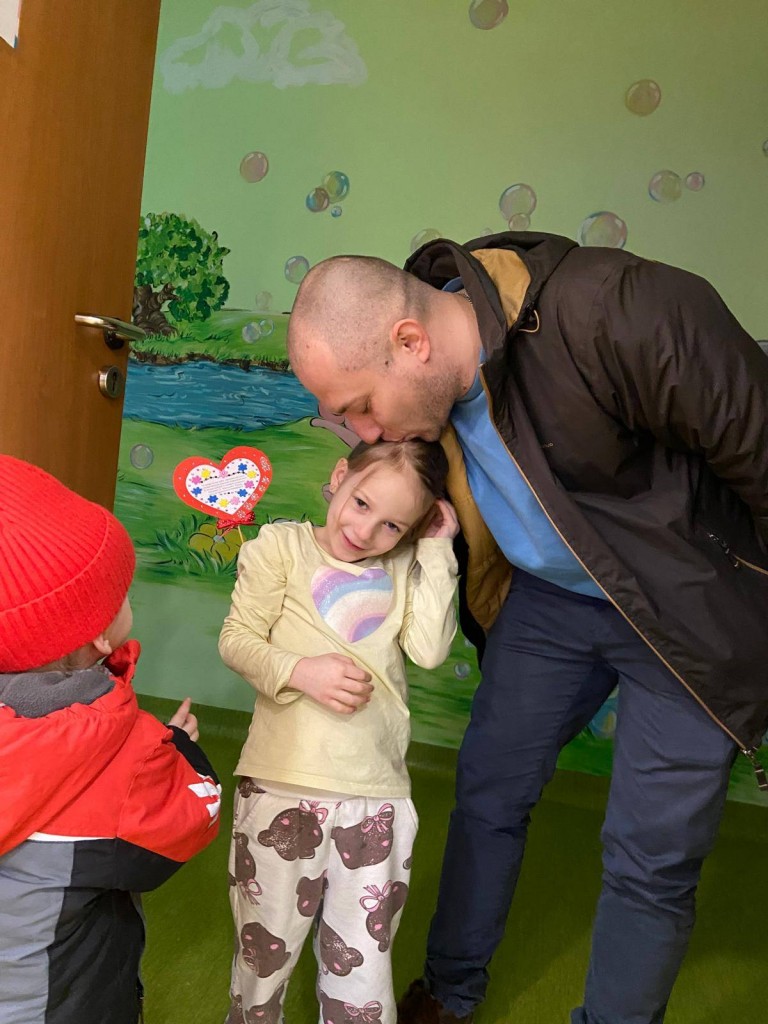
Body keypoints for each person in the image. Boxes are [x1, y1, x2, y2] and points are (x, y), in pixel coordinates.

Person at [285, 231, 768, 1024]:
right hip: (550, 604)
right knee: (488, 791)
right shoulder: (428, 396)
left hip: (683, 612)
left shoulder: (620, 309)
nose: (367, 432)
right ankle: (449, 991)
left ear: (410, 342)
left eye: (362, 407)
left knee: (650, 857)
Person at [218, 439, 459, 1024]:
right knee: (263, 961)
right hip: (282, 787)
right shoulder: (280, 547)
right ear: (341, 474)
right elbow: (237, 640)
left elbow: (429, 650)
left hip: (375, 798)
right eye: (361, 503)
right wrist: (302, 671)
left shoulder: (403, 564)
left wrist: (436, 548)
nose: (365, 530)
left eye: (392, 525)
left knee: (362, 973)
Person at [0, 454, 222, 1024]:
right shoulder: (127, 757)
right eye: (121, 591)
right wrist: (176, 748)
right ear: (99, 634)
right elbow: (192, 817)